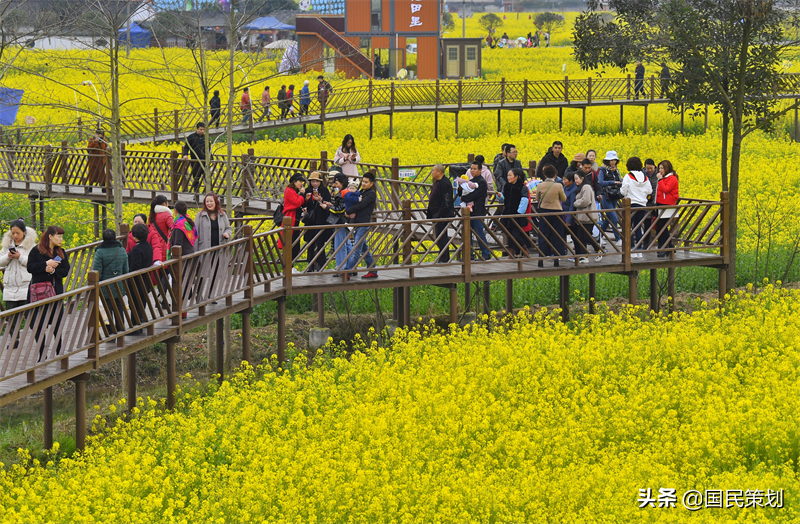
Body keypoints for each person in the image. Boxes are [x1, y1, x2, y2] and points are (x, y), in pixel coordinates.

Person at [27, 226, 70, 358]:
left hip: (55, 292)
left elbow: (65, 270)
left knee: (57, 322)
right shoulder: (36, 251)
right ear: (50, 236)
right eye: (59, 236)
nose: (61, 240)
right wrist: (45, 265)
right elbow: (30, 267)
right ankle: (42, 354)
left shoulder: (61, 252)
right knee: (38, 323)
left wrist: (53, 271)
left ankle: (59, 351)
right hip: (38, 293)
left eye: (62, 237)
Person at [92, 228, 129, 337]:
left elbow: (97, 271)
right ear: (115, 238)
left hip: (105, 288)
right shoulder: (121, 250)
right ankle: (121, 332)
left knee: (107, 310)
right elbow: (126, 270)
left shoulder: (99, 252)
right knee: (119, 308)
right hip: (119, 286)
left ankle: (110, 334)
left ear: (103, 239)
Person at [344, 172, 378, 278]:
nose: (363, 184)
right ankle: (373, 270)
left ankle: (348, 271)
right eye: (363, 181)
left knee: (356, 249)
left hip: (364, 224)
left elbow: (361, 205)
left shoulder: (371, 194)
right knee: (364, 249)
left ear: (371, 184)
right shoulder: (362, 191)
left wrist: (348, 211)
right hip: (358, 223)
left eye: (366, 182)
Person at [0, 219, 36, 310]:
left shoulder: (32, 246)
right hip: (10, 289)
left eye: (18, 233)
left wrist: (20, 257)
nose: (15, 235)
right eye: (13, 233)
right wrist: (8, 257)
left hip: (26, 287)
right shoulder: (7, 245)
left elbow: (34, 264)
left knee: (29, 317)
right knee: (12, 320)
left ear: (24, 232)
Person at [620, 157, 653, 258]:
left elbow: (624, 190)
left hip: (630, 205)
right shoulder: (645, 177)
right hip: (642, 205)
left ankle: (631, 249)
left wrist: (625, 193)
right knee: (638, 227)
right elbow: (650, 190)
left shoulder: (628, 176)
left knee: (628, 227)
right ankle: (639, 250)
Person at [535, 165, 567, 267]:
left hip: (544, 211)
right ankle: (556, 258)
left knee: (544, 234)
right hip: (556, 212)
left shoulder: (540, 185)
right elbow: (564, 199)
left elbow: (537, 198)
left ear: (545, 174)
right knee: (557, 234)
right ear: (555, 175)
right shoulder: (558, 186)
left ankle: (541, 258)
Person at [319, 173, 351, 273]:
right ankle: (351, 267)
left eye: (336, 183)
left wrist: (327, 208)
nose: (335, 185)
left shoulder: (342, 194)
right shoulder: (347, 192)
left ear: (342, 183)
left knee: (340, 245)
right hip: (347, 222)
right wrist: (331, 204)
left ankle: (341, 269)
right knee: (347, 244)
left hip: (340, 222)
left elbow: (340, 210)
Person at [461, 161, 492, 261]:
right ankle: (469, 254)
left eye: (475, 169)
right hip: (469, 211)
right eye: (471, 169)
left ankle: (486, 253)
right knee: (467, 233)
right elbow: (464, 191)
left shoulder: (482, 182)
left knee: (479, 233)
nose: (472, 170)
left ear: (480, 170)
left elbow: (475, 195)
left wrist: (464, 198)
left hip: (478, 210)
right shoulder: (472, 180)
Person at [572, 171, 604, 264]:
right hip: (583, 217)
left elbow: (586, 201)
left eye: (577, 179)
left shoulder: (586, 187)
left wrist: (575, 203)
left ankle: (598, 250)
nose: (575, 181)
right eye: (574, 179)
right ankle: (584, 256)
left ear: (582, 178)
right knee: (581, 237)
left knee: (586, 236)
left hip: (588, 217)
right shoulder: (581, 187)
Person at [127, 223, 153, 335]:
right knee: (141, 302)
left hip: (136, 282)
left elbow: (135, 267)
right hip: (146, 280)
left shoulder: (137, 250)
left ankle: (135, 327)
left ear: (134, 236)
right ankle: (140, 323)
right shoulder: (148, 246)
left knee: (134, 303)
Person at [303, 172, 332, 271]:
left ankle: (321, 264)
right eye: (313, 181)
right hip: (310, 221)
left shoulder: (325, 191)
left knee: (320, 243)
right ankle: (310, 265)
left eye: (317, 181)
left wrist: (321, 200)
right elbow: (303, 204)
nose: (315, 183)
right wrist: (306, 201)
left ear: (320, 182)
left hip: (321, 220)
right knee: (310, 243)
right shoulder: (307, 191)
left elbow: (328, 204)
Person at [502, 168, 533, 258]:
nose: (508, 177)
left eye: (510, 175)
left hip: (517, 214)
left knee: (515, 234)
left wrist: (519, 213)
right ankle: (511, 251)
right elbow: (504, 198)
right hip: (507, 213)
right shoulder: (506, 186)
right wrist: (500, 196)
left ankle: (524, 248)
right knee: (509, 233)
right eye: (508, 175)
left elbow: (525, 200)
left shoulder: (522, 187)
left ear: (516, 177)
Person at [427, 164, 454, 263]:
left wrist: (440, 214)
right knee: (439, 236)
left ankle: (444, 259)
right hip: (437, 214)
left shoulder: (445, 183)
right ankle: (442, 256)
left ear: (439, 172)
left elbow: (446, 201)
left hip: (443, 215)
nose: (432, 172)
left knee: (442, 236)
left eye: (433, 171)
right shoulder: (439, 182)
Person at [278, 174, 307, 262]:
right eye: (300, 182)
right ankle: (289, 266)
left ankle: (292, 265)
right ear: (294, 182)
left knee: (295, 244)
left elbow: (298, 204)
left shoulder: (293, 191)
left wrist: (305, 199)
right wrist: (302, 194)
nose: (301, 184)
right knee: (290, 243)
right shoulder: (289, 191)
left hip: (295, 220)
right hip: (290, 220)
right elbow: (297, 202)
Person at [597, 151, 623, 245]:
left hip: (614, 195)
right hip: (606, 195)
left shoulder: (616, 170)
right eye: (611, 160)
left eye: (614, 160)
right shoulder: (602, 170)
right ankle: (618, 239)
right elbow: (601, 182)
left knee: (608, 217)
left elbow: (620, 180)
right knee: (614, 218)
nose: (613, 162)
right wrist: (612, 182)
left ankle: (599, 236)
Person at [655, 160, 679, 257]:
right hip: (660, 204)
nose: (660, 170)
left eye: (662, 168)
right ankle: (667, 246)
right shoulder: (664, 178)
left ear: (667, 168)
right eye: (659, 168)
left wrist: (660, 180)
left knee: (663, 226)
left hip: (668, 205)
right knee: (660, 226)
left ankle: (664, 247)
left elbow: (666, 189)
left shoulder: (672, 178)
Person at [181, 122, 207, 193]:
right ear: (197, 129)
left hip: (205, 160)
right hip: (195, 161)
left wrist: (212, 159)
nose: (202, 131)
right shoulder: (191, 137)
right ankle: (196, 192)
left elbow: (209, 149)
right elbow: (186, 147)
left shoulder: (206, 137)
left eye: (203, 129)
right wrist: (185, 154)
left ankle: (208, 192)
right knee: (196, 177)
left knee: (207, 177)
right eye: (201, 129)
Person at [148, 195, 173, 264]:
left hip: (154, 244)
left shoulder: (151, 215)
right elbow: (173, 228)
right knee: (165, 266)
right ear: (164, 204)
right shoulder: (167, 215)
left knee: (157, 264)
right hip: (165, 245)